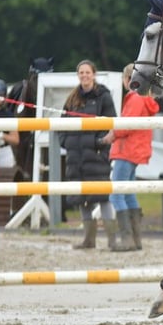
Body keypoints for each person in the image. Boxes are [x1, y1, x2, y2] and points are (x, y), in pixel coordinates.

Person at [58, 59, 118, 249]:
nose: (84, 76)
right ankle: (88, 240)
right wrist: (65, 142)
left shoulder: (104, 96)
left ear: (94, 74)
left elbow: (111, 124)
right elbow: (62, 124)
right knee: (82, 199)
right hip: (75, 158)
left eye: (87, 72)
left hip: (96, 156)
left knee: (103, 197)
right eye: (81, 73)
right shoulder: (71, 99)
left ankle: (112, 240)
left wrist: (99, 142)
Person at [100, 63, 159, 251]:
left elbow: (126, 125)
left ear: (128, 80)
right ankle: (136, 239)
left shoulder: (134, 98)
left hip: (127, 151)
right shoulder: (145, 98)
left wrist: (111, 134)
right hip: (136, 151)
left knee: (116, 194)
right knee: (129, 194)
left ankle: (127, 239)